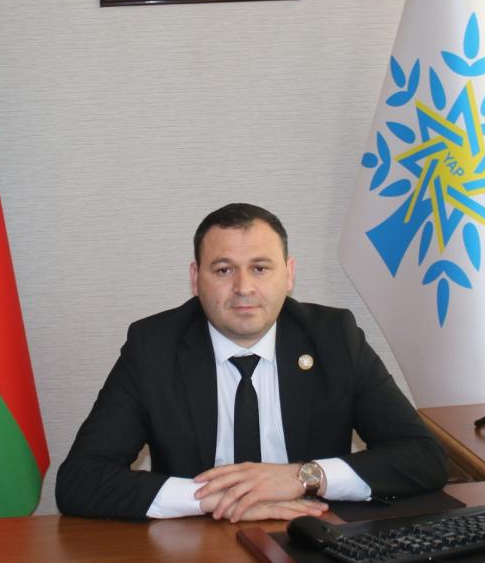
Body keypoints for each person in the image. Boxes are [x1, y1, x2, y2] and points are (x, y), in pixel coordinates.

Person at [56, 203, 448, 521]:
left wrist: (303, 477)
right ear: (195, 279)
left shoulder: (334, 338)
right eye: (223, 270)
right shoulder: (153, 347)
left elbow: (423, 456)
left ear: (289, 275)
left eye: (260, 268)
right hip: (198, 543)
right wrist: (216, 498)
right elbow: (80, 480)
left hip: (310, 533)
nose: (243, 288)